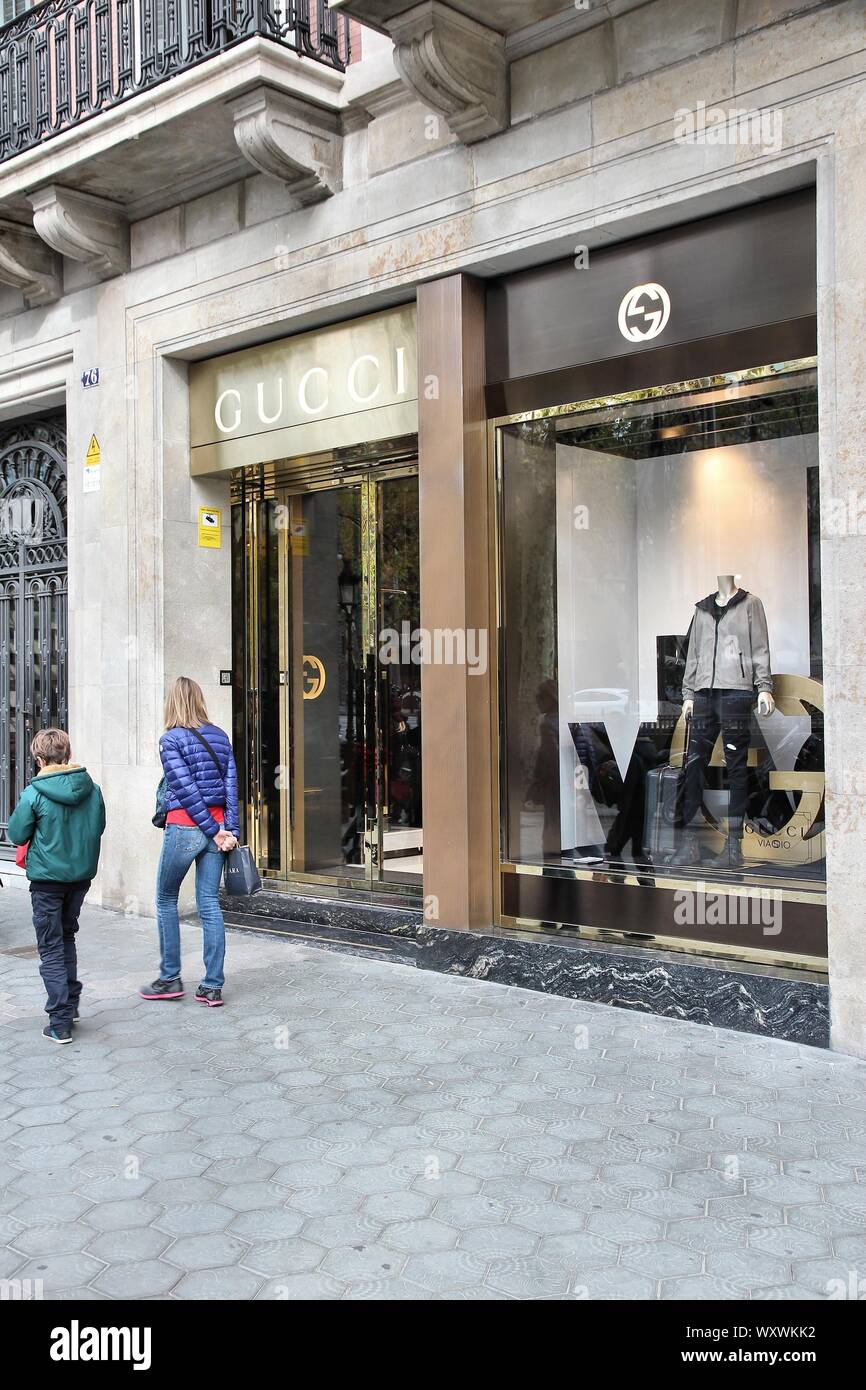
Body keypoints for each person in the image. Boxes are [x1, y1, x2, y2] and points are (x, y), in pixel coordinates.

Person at [141, 676, 239, 1007]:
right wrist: (229, 832)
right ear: (199, 700)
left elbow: (184, 789)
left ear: (172, 703)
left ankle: (169, 979)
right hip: (219, 829)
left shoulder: (170, 740)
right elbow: (231, 789)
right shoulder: (221, 736)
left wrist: (213, 830)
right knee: (209, 903)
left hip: (186, 827)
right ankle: (212, 987)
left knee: (166, 899)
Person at [7, 728, 106, 1045]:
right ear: (69, 755)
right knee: (66, 937)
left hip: (47, 881)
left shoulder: (34, 793)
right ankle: (71, 1005)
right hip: (80, 877)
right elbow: (98, 826)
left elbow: (17, 834)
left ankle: (60, 1021)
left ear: (39, 759)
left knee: (50, 946)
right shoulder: (92, 789)